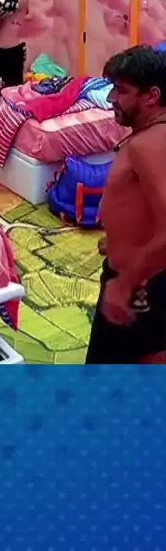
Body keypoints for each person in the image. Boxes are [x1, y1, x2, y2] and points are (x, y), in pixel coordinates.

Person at [86, 45, 166, 364]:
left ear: (152, 95)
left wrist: (127, 283)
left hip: (142, 285)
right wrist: (118, 239)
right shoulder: (149, 137)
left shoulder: (150, 144)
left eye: (121, 91)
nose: (110, 99)